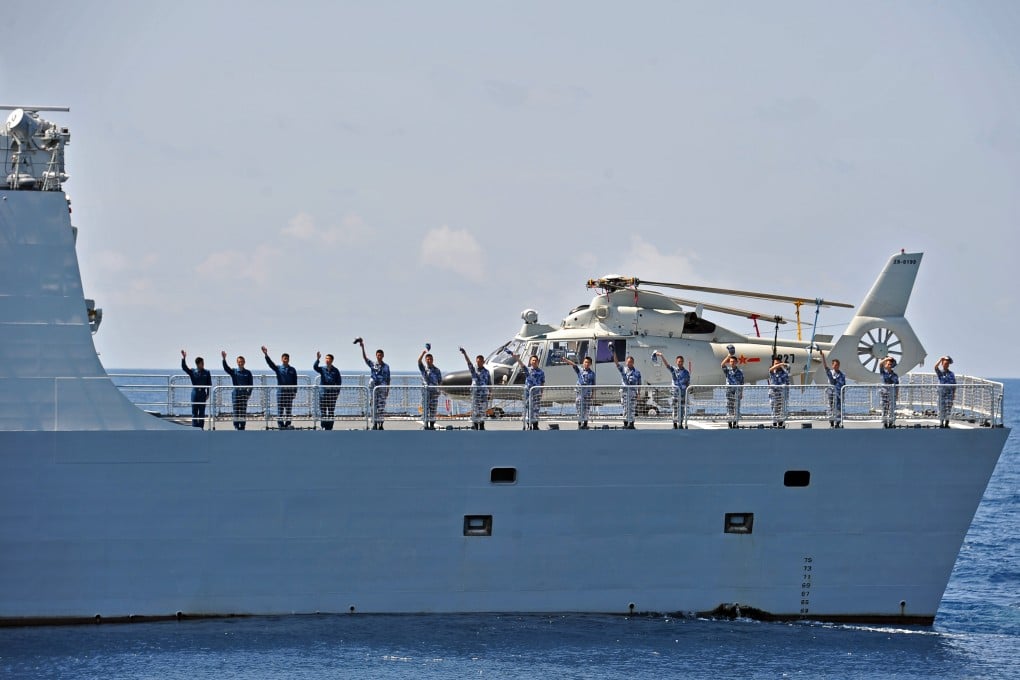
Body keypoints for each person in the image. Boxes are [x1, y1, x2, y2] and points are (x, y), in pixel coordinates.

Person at [357, 338, 390, 430]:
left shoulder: (386, 366)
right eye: (378, 355)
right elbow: (365, 358)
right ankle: (374, 423)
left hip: (382, 388)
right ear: (376, 356)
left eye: (380, 355)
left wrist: (388, 390)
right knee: (373, 406)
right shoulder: (373, 364)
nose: (379, 356)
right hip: (373, 387)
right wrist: (363, 347)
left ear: (383, 356)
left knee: (381, 406)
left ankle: (381, 424)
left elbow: (388, 379)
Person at [262, 345, 298, 429]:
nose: (286, 360)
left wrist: (295, 392)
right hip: (281, 392)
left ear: (289, 359)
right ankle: (281, 425)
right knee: (280, 410)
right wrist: (266, 355)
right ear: (282, 359)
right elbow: (270, 364)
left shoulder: (292, 369)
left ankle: (288, 424)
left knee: (288, 410)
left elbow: (295, 382)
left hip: (289, 393)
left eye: (287, 358)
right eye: (284, 358)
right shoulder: (278, 368)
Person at [655, 351, 691, 429]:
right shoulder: (674, 370)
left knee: (682, 410)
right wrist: (661, 356)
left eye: (681, 361)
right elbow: (667, 365)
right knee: (675, 409)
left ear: (683, 362)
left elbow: (688, 383)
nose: (680, 363)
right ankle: (674, 424)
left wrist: (687, 393)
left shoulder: (686, 372)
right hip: (675, 394)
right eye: (678, 361)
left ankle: (680, 423)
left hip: (683, 394)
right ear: (676, 362)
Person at [460, 347, 491, 430]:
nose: (478, 363)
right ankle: (475, 425)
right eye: (477, 362)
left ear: (483, 362)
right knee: (475, 410)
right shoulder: (474, 371)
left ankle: (481, 426)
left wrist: (490, 393)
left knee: (483, 411)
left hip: (483, 395)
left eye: (480, 361)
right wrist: (465, 354)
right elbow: (469, 363)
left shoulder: (487, 372)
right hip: (475, 395)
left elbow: (489, 383)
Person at [221, 351, 253, 430]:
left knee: (242, 411)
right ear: (237, 362)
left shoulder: (248, 373)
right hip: (236, 393)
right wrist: (224, 359)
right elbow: (226, 368)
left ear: (244, 362)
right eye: (239, 362)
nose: (240, 363)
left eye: (242, 362)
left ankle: (242, 426)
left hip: (244, 394)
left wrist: (248, 394)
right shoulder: (234, 371)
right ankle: (236, 426)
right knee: (236, 410)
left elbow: (251, 385)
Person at [514, 354, 546, 430]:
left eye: (536, 360)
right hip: (528, 394)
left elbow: (542, 382)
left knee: (536, 409)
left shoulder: (541, 372)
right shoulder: (527, 370)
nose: (534, 362)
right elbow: (521, 364)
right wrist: (517, 358)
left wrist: (541, 392)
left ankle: (535, 425)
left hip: (536, 394)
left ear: (538, 361)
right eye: (533, 360)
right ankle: (528, 425)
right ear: (530, 362)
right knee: (527, 408)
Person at [180, 350, 211, 429]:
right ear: (198, 364)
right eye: (202, 363)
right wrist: (183, 358)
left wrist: (208, 394)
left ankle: (201, 428)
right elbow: (184, 368)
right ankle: (194, 428)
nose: (203, 364)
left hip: (202, 393)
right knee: (194, 412)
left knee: (201, 412)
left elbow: (209, 384)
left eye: (203, 363)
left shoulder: (207, 372)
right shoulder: (193, 371)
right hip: (195, 393)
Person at [564, 355, 596, 429]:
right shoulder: (580, 370)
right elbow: (573, 365)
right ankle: (579, 424)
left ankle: (585, 424)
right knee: (579, 408)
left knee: (586, 409)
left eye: (588, 362)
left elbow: (594, 385)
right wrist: (566, 360)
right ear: (583, 363)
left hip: (587, 394)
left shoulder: (592, 374)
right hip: (579, 394)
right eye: (585, 362)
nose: (586, 364)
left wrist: (593, 395)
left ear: (590, 364)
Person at [612, 350, 641, 429]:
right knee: (625, 408)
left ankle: (631, 423)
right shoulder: (623, 370)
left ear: (633, 362)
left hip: (633, 393)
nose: (629, 363)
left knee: (632, 408)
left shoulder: (637, 372)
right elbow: (616, 363)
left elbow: (639, 384)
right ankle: (625, 423)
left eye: (631, 362)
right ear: (626, 362)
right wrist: (613, 352)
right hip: (624, 392)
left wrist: (639, 393)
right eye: (628, 362)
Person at [313, 351, 342, 430]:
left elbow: (339, 383)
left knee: (331, 411)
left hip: (332, 394)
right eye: (326, 358)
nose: (327, 360)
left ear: (332, 360)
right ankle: (323, 426)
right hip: (323, 394)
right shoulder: (322, 369)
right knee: (323, 411)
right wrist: (318, 359)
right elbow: (315, 367)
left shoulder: (335, 371)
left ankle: (330, 427)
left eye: (328, 359)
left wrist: (337, 393)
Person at [818, 349, 845, 428]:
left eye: (837, 365)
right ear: (832, 365)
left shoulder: (842, 375)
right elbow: (825, 367)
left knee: (838, 408)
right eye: (835, 365)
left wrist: (842, 394)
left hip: (838, 394)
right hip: (831, 393)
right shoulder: (830, 373)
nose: (836, 366)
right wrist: (822, 356)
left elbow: (843, 385)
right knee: (830, 407)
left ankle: (838, 422)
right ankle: (831, 422)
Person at [417, 348, 442, 430]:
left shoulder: (437, 370)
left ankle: (432, 425)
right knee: (425, 409)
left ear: (433, 360)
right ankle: (425, 424)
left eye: (430, 359)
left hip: (434, 393)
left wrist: (440, 391)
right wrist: (423, 353)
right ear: (425, 360)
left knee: (433, 409)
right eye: (427, 359)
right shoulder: (424, 369)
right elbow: (419, 361)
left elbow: (440, 381)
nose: (429, 360)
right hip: (425, 393)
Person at [721, 350, 744, 429]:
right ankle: (729, 422)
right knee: (729, 407)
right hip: (729, 391)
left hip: (737, 391)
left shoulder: (740, 372)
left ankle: (735, 422)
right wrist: (728, 356)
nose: (732, 363)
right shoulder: (728, 371)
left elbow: (741, 383)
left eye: (734, 361)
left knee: (736, 407)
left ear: (736, 362)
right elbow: (722, 364)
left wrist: (741, 392)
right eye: (731, 361)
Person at [767, 356, 790, 428]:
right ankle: (774, 424)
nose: (776, 365)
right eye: (775, 364)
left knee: (781, 410)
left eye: (778, 363)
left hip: (781, 394)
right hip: (773, 394)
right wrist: (780, 364)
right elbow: (770, 370)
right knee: (774, 409)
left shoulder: (784, 373)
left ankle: (780, 424)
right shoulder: (772, 372)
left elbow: (787, 383)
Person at [934, 355, 956, 428]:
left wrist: (954, 394)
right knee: (941, 408)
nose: (946, 365)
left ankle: (947, 423)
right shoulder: (940, 373)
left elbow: (954, 384)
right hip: (941, 394)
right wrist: (940, 359)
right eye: (945, 363)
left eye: (947, 364)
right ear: (942, 364)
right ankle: (941, 423)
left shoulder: (951, 374)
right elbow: (935, 367)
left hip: (949, 394)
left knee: (948, 408)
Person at [879, 356, 899, 428]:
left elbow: (897, 386)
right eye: (888, 364)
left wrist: (897, 395)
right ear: (885, 365)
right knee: (884, 409)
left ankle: (891, 423)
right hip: (884, 394)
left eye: (890, 364)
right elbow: (880, 364)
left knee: (891, 410)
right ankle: (884, 423)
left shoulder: (895, 375)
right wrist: (887, 359)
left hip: (892, 394)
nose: (889, 365)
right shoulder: (883, 373)